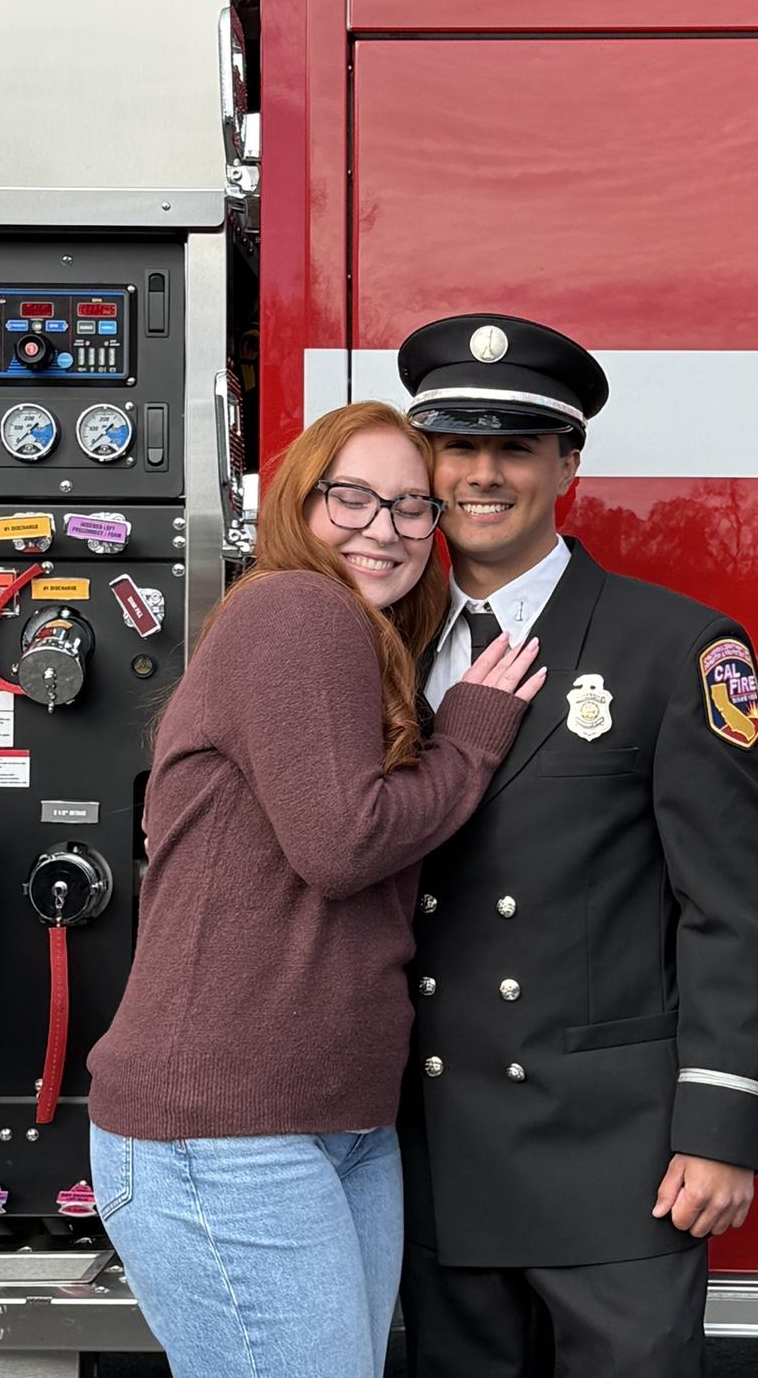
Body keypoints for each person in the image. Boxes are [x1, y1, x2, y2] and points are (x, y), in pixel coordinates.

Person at [86, 400, 546, 1378]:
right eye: (354, 497)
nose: (383, 528)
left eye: (412, 507)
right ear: (302, 500)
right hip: (224, 1134)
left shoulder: (356, 643)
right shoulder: (296, 608)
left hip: (330, 1123)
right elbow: (343, 844)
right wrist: (469, 739)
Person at [395, 316, 758, 1378]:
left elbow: (734, 911)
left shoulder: (677, 649)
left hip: (617, 1162)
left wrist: (721, 1129)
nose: (483, 474)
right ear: (427, 462)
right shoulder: (378, 645)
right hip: (436, 1149)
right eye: (458, 446)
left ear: (568, 463)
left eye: (517, 447)